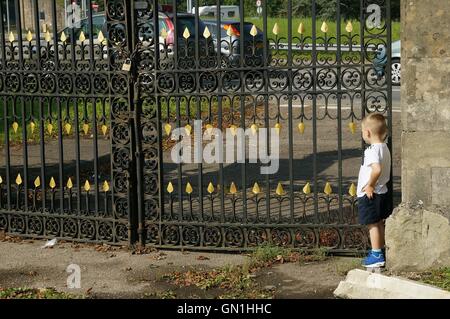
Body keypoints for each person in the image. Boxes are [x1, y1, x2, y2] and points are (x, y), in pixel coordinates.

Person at [357, 113, 392, 268]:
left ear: (368, 133)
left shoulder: (371, 150)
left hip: (371, 193)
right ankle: (381, 250)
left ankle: (376, 254)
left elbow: (376, 169)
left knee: (372, 224)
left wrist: (370, 185)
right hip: (382, 191)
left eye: (363, 131)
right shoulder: (384, 148)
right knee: (378, 223)